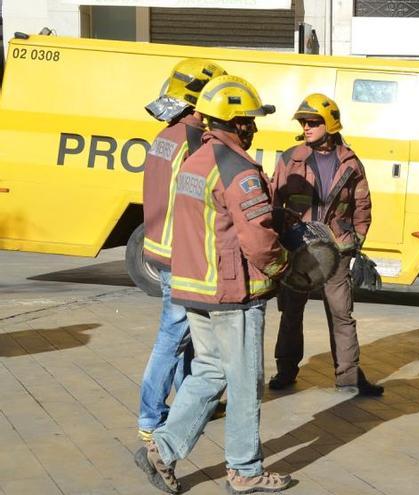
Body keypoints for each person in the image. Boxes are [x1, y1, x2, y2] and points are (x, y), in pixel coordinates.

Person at [135, 74, 294, 494]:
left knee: (208, 371)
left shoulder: (196, 161)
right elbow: (259, 238)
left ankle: (162, 449)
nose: (255, 127)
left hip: (195, 290)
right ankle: (244, 469)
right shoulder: (238, 170)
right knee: (244, 383)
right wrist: (283, 266)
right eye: (249, 120)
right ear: (235, 122)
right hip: (232, 294)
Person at [268, 93, 383, 396]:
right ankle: (285, 371)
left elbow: (363, 206)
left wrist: (354, 242)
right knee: (291, 312)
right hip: (299, 252)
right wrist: (280, 238)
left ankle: (348, 377)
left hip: (338, 253)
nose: (306, 127)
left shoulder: (350, 162)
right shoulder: (290, 158)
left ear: (329, 124)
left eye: (313, 122)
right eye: (304, 122)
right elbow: (273, 202)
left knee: (341, 314)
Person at [138, 58, 225, 443]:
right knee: (171, 339)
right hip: (180, 255)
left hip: (158, 247)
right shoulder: (194, 141)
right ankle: (150, 417)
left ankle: (188, 399)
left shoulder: (164, 135)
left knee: (184, 333)